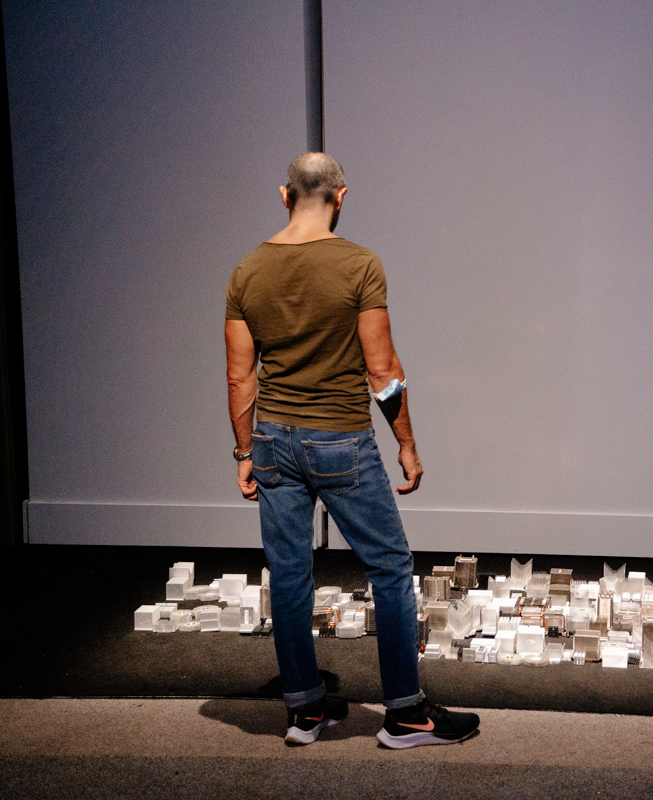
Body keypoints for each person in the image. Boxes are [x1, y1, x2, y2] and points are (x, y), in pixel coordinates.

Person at [224, 152, 479, 748]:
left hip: (272, 440)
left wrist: (243, 452)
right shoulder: (359, 264)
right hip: (339, 437)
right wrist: (407, 443)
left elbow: (240, 378)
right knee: (389, 568)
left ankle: (305, 709)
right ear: (341, 197)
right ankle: (406, 715)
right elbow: (382, 370)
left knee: (290, 575)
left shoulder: (245, 271)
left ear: (284, 195)